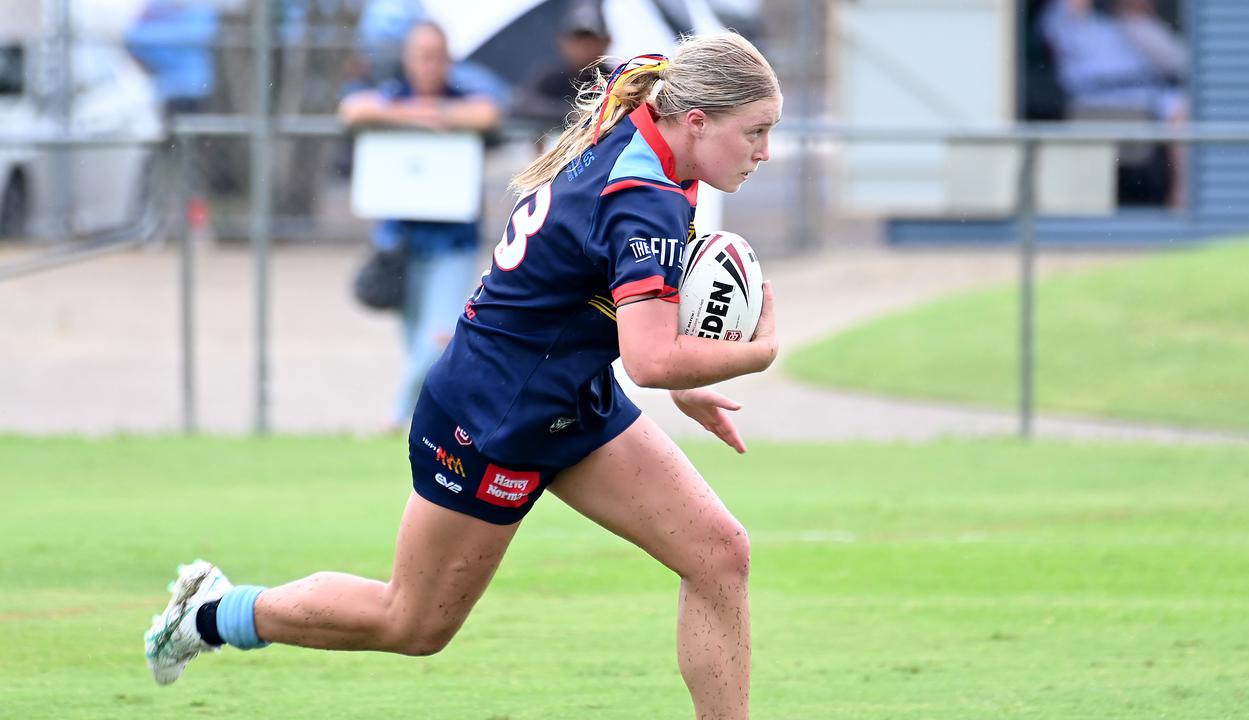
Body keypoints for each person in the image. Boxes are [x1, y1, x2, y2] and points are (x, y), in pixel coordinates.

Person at [145, 31, 781, 719]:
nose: (765, 151)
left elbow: (628, 300)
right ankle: (212, 614)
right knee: (411, 624)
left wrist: (686, 380)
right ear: (697, 121)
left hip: (568, 396)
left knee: (720, 554)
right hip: (492, 417)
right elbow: (651, 359)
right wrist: (759, 351)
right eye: (756, 131)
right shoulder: (644, 193)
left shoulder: (650, 136)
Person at [337, 22, 506, 429]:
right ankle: (428, 420)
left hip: (452, 243)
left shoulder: (463, 96)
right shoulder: (394, 94)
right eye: (421, 55)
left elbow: (488, 112)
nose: (429, 65)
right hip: (401, 242)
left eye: (437, 55)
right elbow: (353, 109)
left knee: (439, 337)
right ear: (408, 59)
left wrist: (441, 115)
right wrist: (414, 116)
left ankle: (398, 416)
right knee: (415, 338)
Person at [1039, 0, 1189, 207]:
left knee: (1183, 107)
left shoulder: (1122, 25)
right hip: (1097, 100)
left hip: (1146, 97)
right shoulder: (1063, 22)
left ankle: (1182, 195)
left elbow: (1181, 62)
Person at [511, 1, 615, 138]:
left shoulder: (615, 78)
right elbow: (522, 106)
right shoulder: (550, 77)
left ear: (606, 42)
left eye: (590, 40)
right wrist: (573, 113)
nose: (582, 47)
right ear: (561, 41)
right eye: (577, 39)